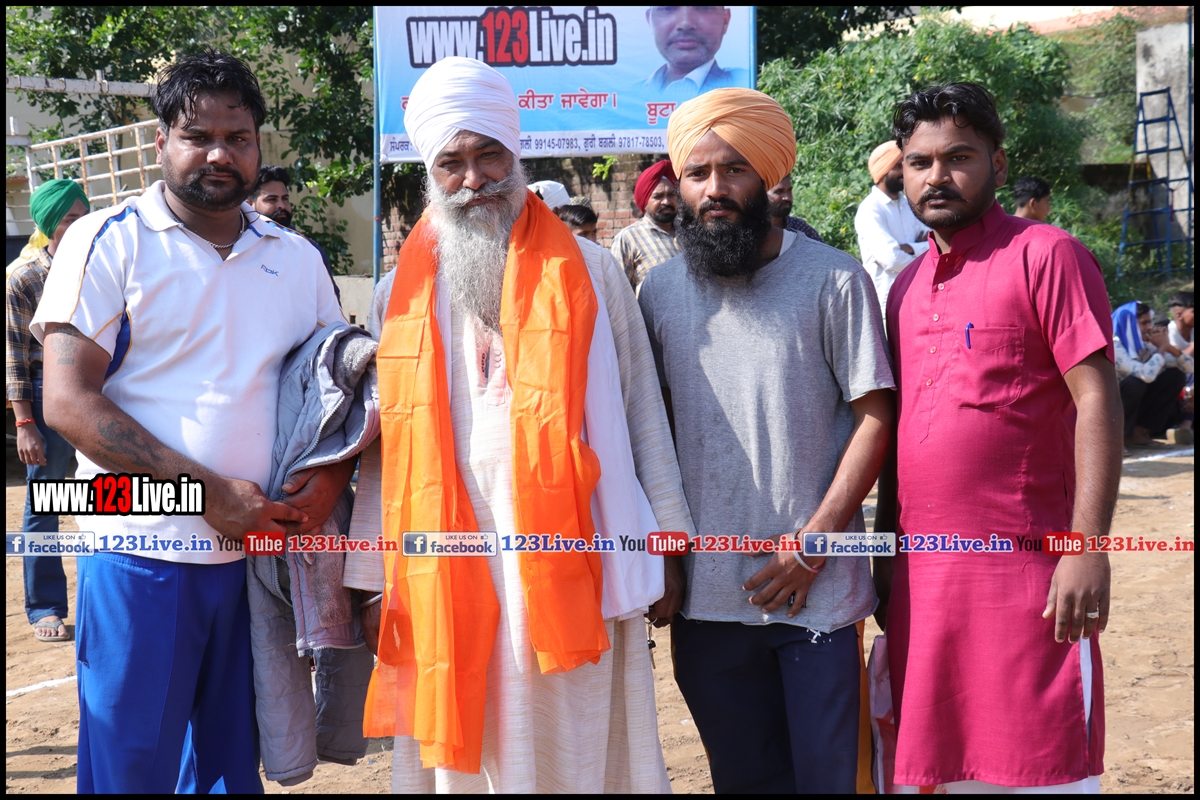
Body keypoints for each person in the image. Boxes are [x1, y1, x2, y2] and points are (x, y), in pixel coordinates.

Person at [342, 56, 692, 793]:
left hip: (577, 547)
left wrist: (664, 542)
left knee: (578, 738)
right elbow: (384, 454)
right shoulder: (394, 296)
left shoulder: (592, 270)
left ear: (516, 153)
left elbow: (641, 413)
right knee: (468, 744)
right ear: (430, 174)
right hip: (445, 554)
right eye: (452, 163)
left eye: (489, 155)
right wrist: (372, 581)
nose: (474, 179)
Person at [31, 51, 353, 794]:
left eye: (238, 138)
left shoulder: (296, 258)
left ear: (258, 146)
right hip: (139, 553)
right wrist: (210, 497)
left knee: (228, 772)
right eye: (197, 136)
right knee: (132, 769)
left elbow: (336, 391)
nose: (219, 154)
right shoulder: (106, 240)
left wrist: (330, 481)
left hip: (256, 565)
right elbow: (68, 403)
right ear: (160, 143)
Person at [639, 87, 895, 794]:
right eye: (697, 174)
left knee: (831, 781)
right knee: (743, 780)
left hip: (818, 592)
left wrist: (815, 544)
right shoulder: (658, 292)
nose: (715, 189)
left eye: (734, 169)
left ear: (769, 176)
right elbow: (652, 432)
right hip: (705, 599)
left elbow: (876, 416)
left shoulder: (833, 279)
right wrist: (667, 560)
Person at [876, 82, 1122, 793]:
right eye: (918, 162)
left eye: (958, 157)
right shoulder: (905, 288)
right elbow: (899, 437)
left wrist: (1087, 547)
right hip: (925, 587)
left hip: (1029, 581)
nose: (936, 176)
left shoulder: (1047, 254)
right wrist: (886, 563)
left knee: (1039, 767)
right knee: (939, 772)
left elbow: (1097, 398)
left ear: (999, 165)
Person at [6, 178, 90, 643]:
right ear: (48, 223)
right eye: (69, 219)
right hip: (45, 395)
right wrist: (24, 423)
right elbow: (14, 357)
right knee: (46, 502)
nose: (79, 225)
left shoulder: (99, 266)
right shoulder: (25, 278)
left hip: (98, 393)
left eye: (83, 216)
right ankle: (45, 607)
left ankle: (107, 599)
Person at [854, 140, 929, 318]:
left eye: (905, 165)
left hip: (917, 295)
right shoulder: (870, 209)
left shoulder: (911, 204)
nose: (904, 171)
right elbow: (891, 258)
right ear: (883, 171)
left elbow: (935, 242)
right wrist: (924, 257)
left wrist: (910, 248)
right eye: (897, 166)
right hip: (885, 302)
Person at [248, 164, 340, 301]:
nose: (281, 205)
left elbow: (330, 305)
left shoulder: (307, 249)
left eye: (285, 199)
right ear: (249, 205)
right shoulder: (235, 247)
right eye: (271, 199)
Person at [1111, 301, 1192, 446]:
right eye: (1144, 323)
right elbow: (1146, 375)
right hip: (1111, 408)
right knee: (1135, 384)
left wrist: (1168, 347)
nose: (1149, 327)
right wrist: (1161, 348)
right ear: (1129, 324)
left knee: (1175, 375)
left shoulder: (1144, 347)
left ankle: (1139, 432)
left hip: (1133, 406)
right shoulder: (1115, 347)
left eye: (1150, 322)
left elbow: (1190, 367)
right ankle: (1119, 436)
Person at [642, 6, 749, 99]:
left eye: (704, 7)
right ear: (649, 21)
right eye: (667, 8)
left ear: (725, 20)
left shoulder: (744, 84)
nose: (685, 24)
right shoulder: (632, 95)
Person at [611, 159, 681, 288]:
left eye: (672, 195)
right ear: (645, 202)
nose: (666, 201)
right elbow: (618, 290)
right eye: (658, 196)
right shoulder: (628, 238)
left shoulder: (690, 230)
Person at [1167, 291, 1195, 434]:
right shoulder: (1169, 332)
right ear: (1179, 315)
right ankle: (1185, 425)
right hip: (1176, 381)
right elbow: (1178, 361)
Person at [765, 174, 823, 242]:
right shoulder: (754, 230)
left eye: (789, 190)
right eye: (779, 192)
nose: (788, 197)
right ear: (762, 195)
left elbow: (823, 248)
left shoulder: (800, 229)